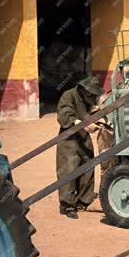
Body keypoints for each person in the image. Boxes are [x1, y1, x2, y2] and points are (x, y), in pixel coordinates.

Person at [56, 76, 103, 219]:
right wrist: (80, 123)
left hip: (84, 137)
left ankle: (83, 201)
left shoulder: (87, 98)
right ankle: (67, 205)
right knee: (69, 171)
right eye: (91, 93)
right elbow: (64, 115)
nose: (92, 96)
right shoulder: (68, 95)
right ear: (83, 89)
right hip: (69, 138)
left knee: (87, 167)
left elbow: (90, 111)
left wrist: (97, 112)